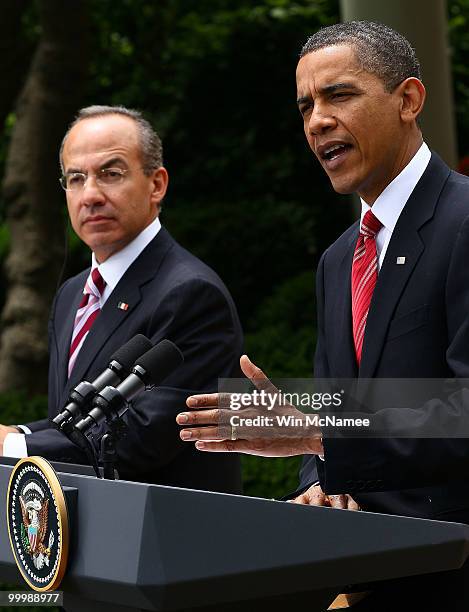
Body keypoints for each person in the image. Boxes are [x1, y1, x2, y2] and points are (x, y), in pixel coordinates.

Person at [176, 21, 469, 607]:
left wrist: (314, 432)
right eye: (306, 105)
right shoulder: (339, 261)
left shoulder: (464, 222)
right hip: (365, 572)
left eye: (339, 95)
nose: (316, 121)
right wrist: (317, 482)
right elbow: (341, 411)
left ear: (409, 99)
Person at [0, 105, 243, 493]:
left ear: (157, 184)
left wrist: (15, 445)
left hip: (168, 538)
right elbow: (73, 420)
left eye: (110, 174)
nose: (91, 194)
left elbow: (144, 436)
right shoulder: (70, 295)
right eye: (76, 178)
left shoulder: (191, 294)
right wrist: (18, 432)